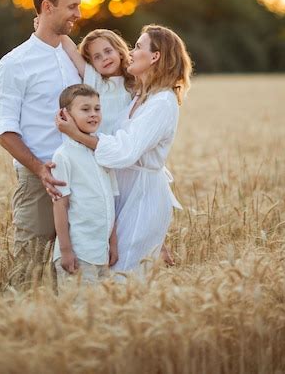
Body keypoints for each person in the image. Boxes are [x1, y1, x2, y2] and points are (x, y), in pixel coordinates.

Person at [56, 24, 192, 274]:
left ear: (155, 56)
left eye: (138, 46)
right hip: (121, 188)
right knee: (112, 270)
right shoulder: (142, 96)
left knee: (124, 275)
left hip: (141, 194)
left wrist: (76, 135)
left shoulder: (162, 102)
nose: (131, 51)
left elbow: (125, 151)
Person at [0, 0, 82, 285]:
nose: (78, 14)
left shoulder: (74, 57)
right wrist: (39, 168)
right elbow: (5, 130)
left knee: (74, 274)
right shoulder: (15, 64)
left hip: (82, 176)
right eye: (71, 6)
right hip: (40, 180)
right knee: (29, 272)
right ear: (48, 7)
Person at [51, 84, 118, 287]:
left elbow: (110, 201)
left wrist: (112, 243)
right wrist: (65, 250)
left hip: (101, 252)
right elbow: (60, 205)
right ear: (65, 114)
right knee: (78, 313)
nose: (93, 114)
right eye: (85, 109)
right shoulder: (63, 156)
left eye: (97, 109)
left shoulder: (103, 152)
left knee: (100, 312)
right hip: (78, 252)